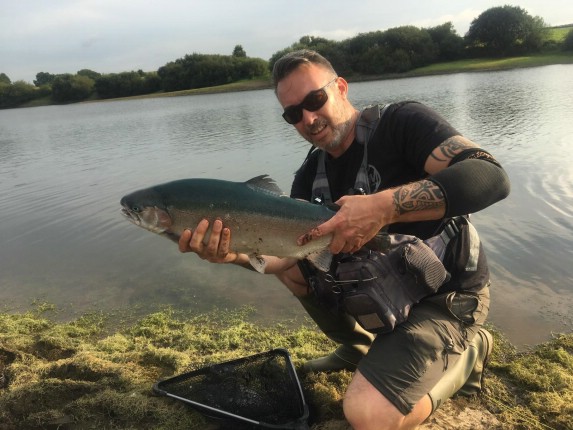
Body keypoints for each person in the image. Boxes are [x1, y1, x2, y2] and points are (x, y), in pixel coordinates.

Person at [178, 49, 510, 429]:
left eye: (314, 100)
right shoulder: (309, 175)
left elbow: (490, 176)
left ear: (341, 87)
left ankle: (470, 351)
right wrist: (231, 255)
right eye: (293, 114)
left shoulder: (401, 123)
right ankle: (357, 347)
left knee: (366, 416)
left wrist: (383, 207)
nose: (308, 118)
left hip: (445, 296)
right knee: (295, 271)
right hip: (385, 293)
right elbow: (286, 258)